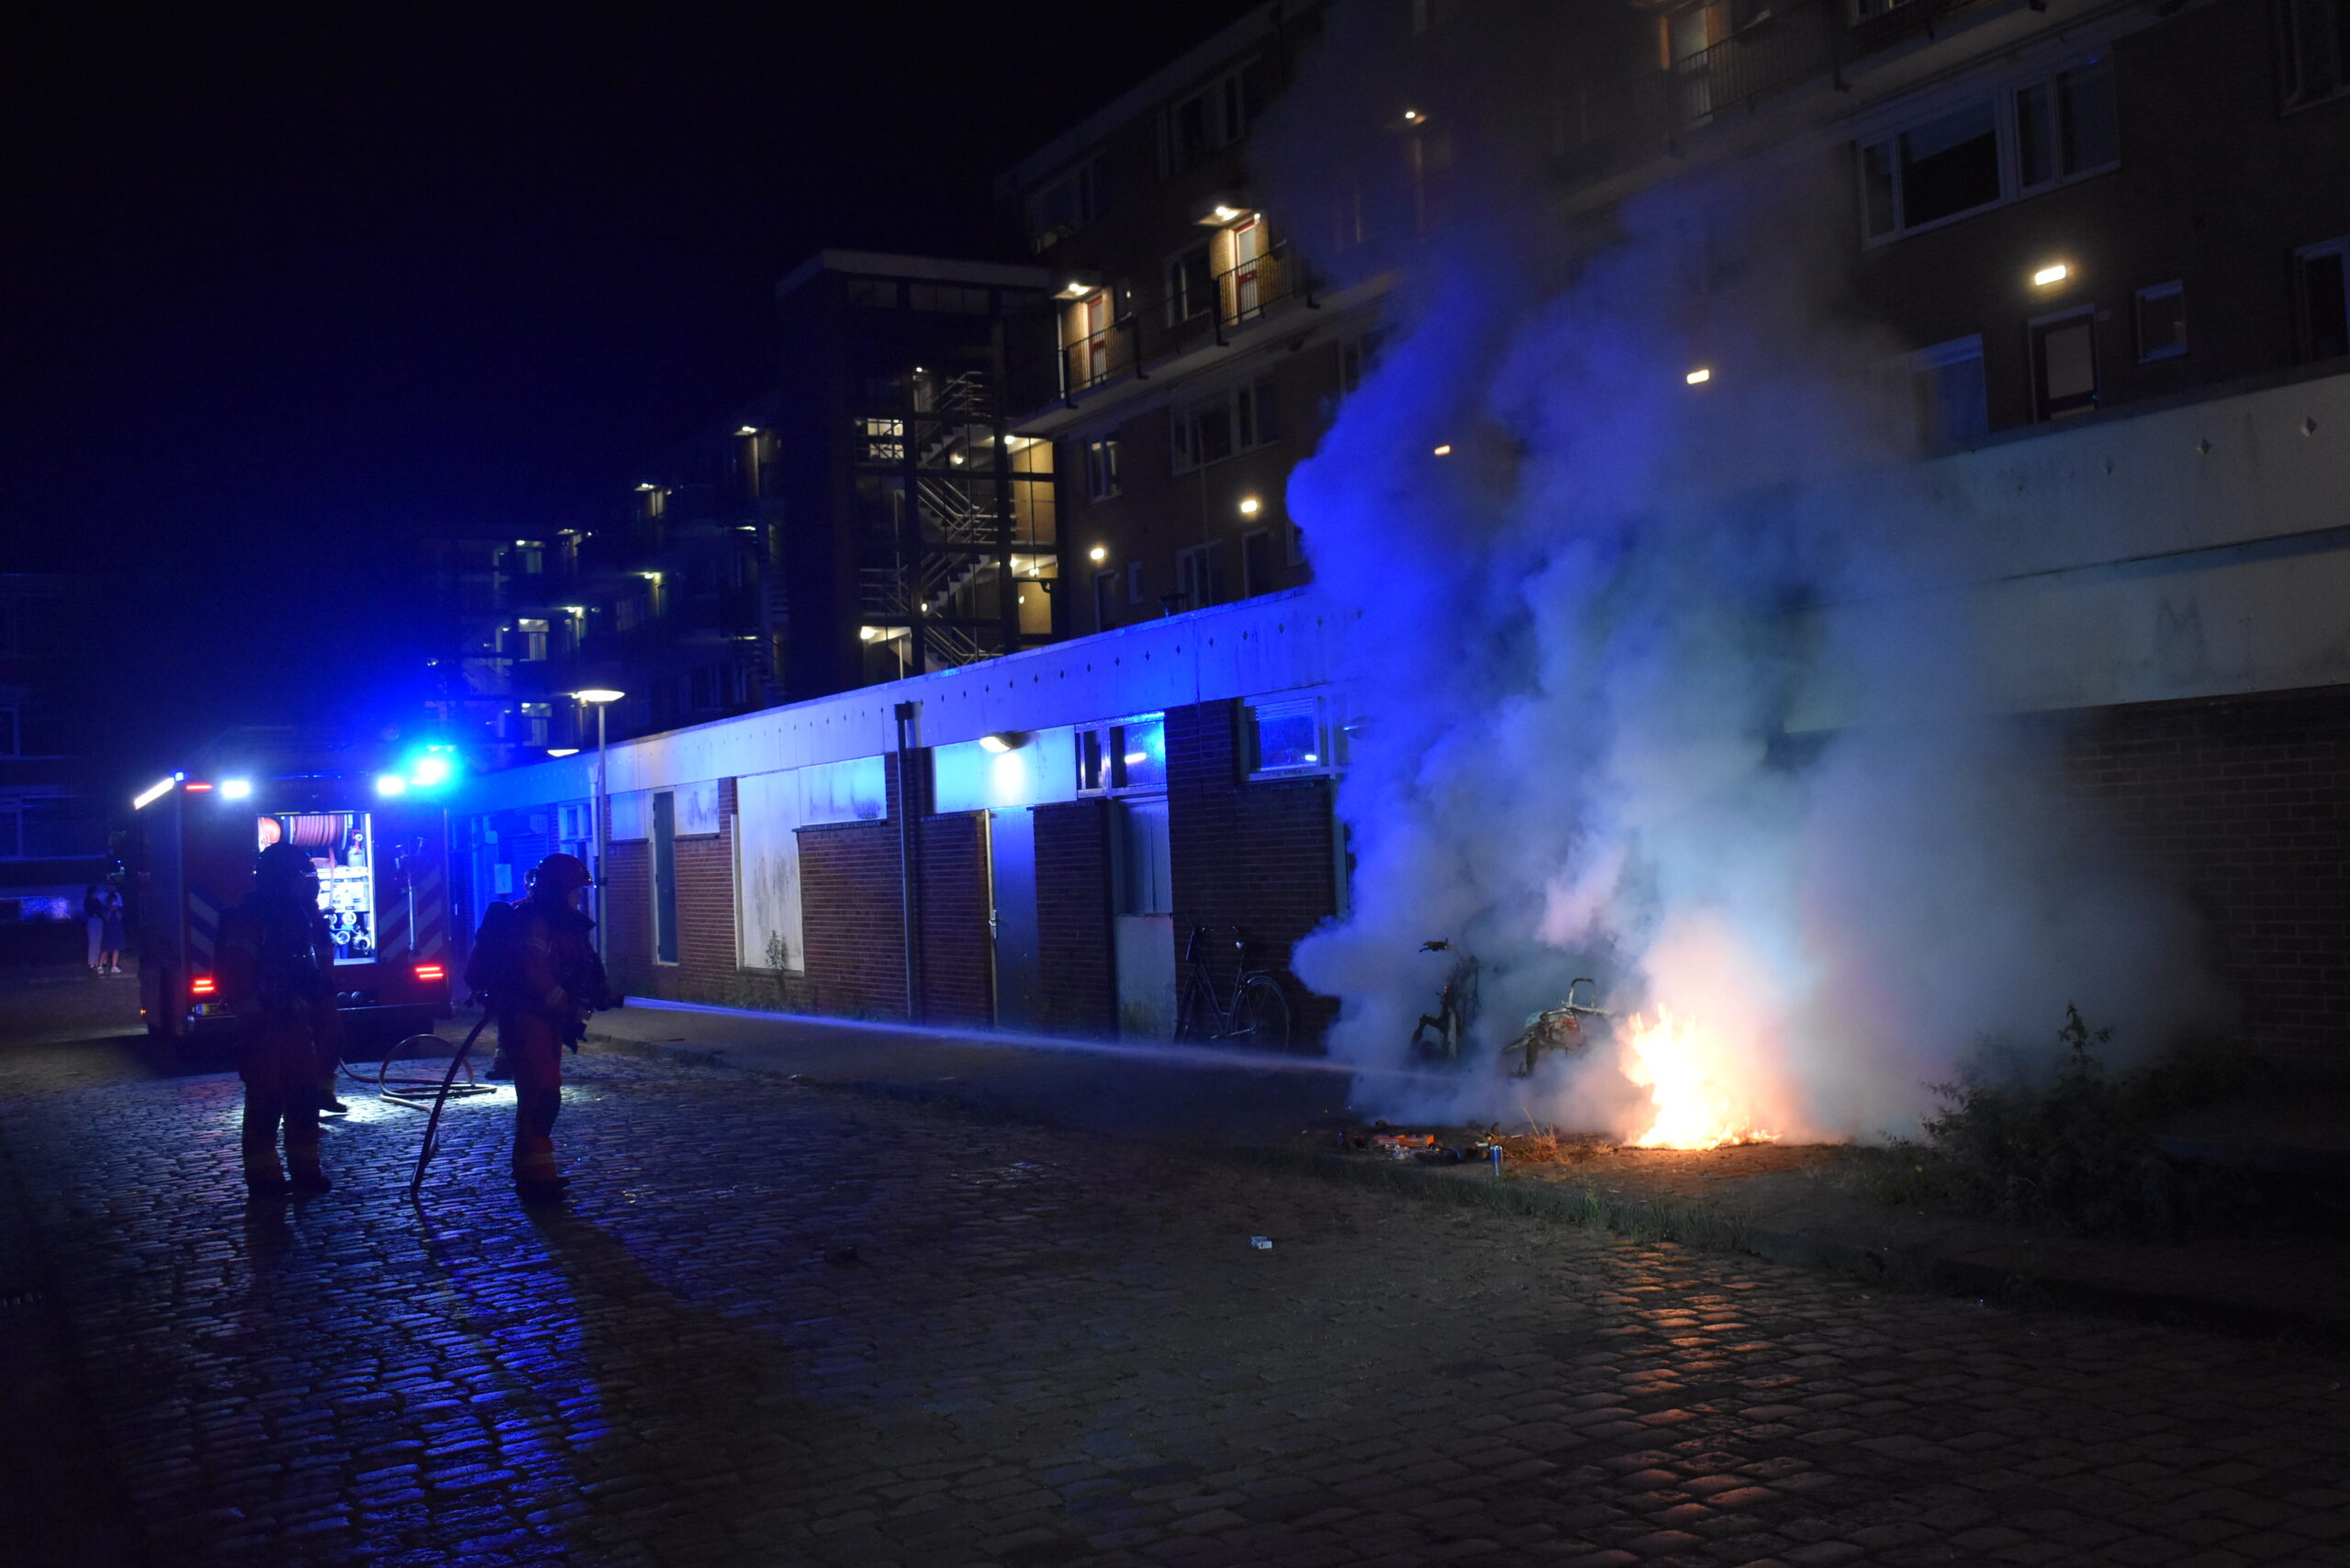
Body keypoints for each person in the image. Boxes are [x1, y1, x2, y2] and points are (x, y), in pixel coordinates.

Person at [216, 843, 345, 1196]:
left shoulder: (299, 916)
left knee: (303, 1101)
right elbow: (238, 974)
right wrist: (256, 1020)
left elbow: (306, 967)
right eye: (301, 877)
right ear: (282, 878)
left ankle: (307, 1173)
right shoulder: (252, 919)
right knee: (265, 1103)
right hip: (265, 1029)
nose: (307, 884)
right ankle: (265, 1179)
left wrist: (318, 998)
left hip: (295, 1026)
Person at [487, 852, 607, 1202]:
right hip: (527, 1021)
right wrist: (568, 1006)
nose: (578, 899)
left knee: (538, 1099)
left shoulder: (551, 922)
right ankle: (535, 1179)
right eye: (574, 892)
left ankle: (535, 1174)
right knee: (542, 1097)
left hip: (543, 1021)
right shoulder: (534, 924)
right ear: (558, 891)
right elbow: (534, 976)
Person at [97, 888, 126, 976]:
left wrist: (116, 910)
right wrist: (110, 909)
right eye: (112, 900)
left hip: (117, 929)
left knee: (116, 948)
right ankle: (100, 966)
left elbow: (120, 918)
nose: (113, 902)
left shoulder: (119, 908)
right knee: (106, 948)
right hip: (108, 929)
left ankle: (114, 966)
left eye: (115, 900)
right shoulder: (105, 908)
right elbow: (106, 918)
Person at [83, 885, 105, 976]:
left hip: (97, 921)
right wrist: (97, 914)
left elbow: (101, 910)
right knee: (93, 942)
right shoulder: (90, 901)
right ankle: (92, 963)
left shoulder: (94, 900)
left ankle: (95, 962)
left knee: (97, 942)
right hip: (94, 921)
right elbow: (94, 911)